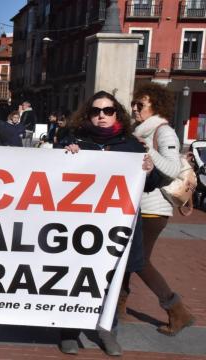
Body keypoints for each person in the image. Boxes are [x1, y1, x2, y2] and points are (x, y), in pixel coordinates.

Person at [57, 90, 156, 356]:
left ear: (117, 113)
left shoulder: (131, 146)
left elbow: (152, 184)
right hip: (79, 228)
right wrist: (64, 154)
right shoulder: (75, 140)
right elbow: (51, 172)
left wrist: (149, 168)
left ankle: (108, 330)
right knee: (75, 278)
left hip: (116, 230)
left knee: (113, 280)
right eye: (96, 111)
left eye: (108, 111)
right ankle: (68, 331)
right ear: (88, 114)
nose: (102, 115)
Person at [122, 82, 195, 336]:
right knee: (126, 259)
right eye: (133, 103)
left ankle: (177, 310)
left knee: (139, 261)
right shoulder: (139, 130)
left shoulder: (163, 132)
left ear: (155, 104)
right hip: (137, 205)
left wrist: (147, 147)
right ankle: (117, 310)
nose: (134, 108)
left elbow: (174, 169)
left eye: (140, 104)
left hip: (154, 207)